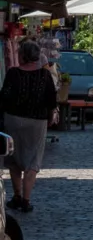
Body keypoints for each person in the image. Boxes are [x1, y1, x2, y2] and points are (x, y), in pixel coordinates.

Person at [0, 40, 58, 211]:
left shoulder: (13, 73)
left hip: (13, 119)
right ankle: (26, 200)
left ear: (22, 56)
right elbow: (51, 100)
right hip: (37, 122)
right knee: (33, 160)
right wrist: (50, 116)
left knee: (14, 159)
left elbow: (4, 97)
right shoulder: (44, 76)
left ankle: (16, 196)